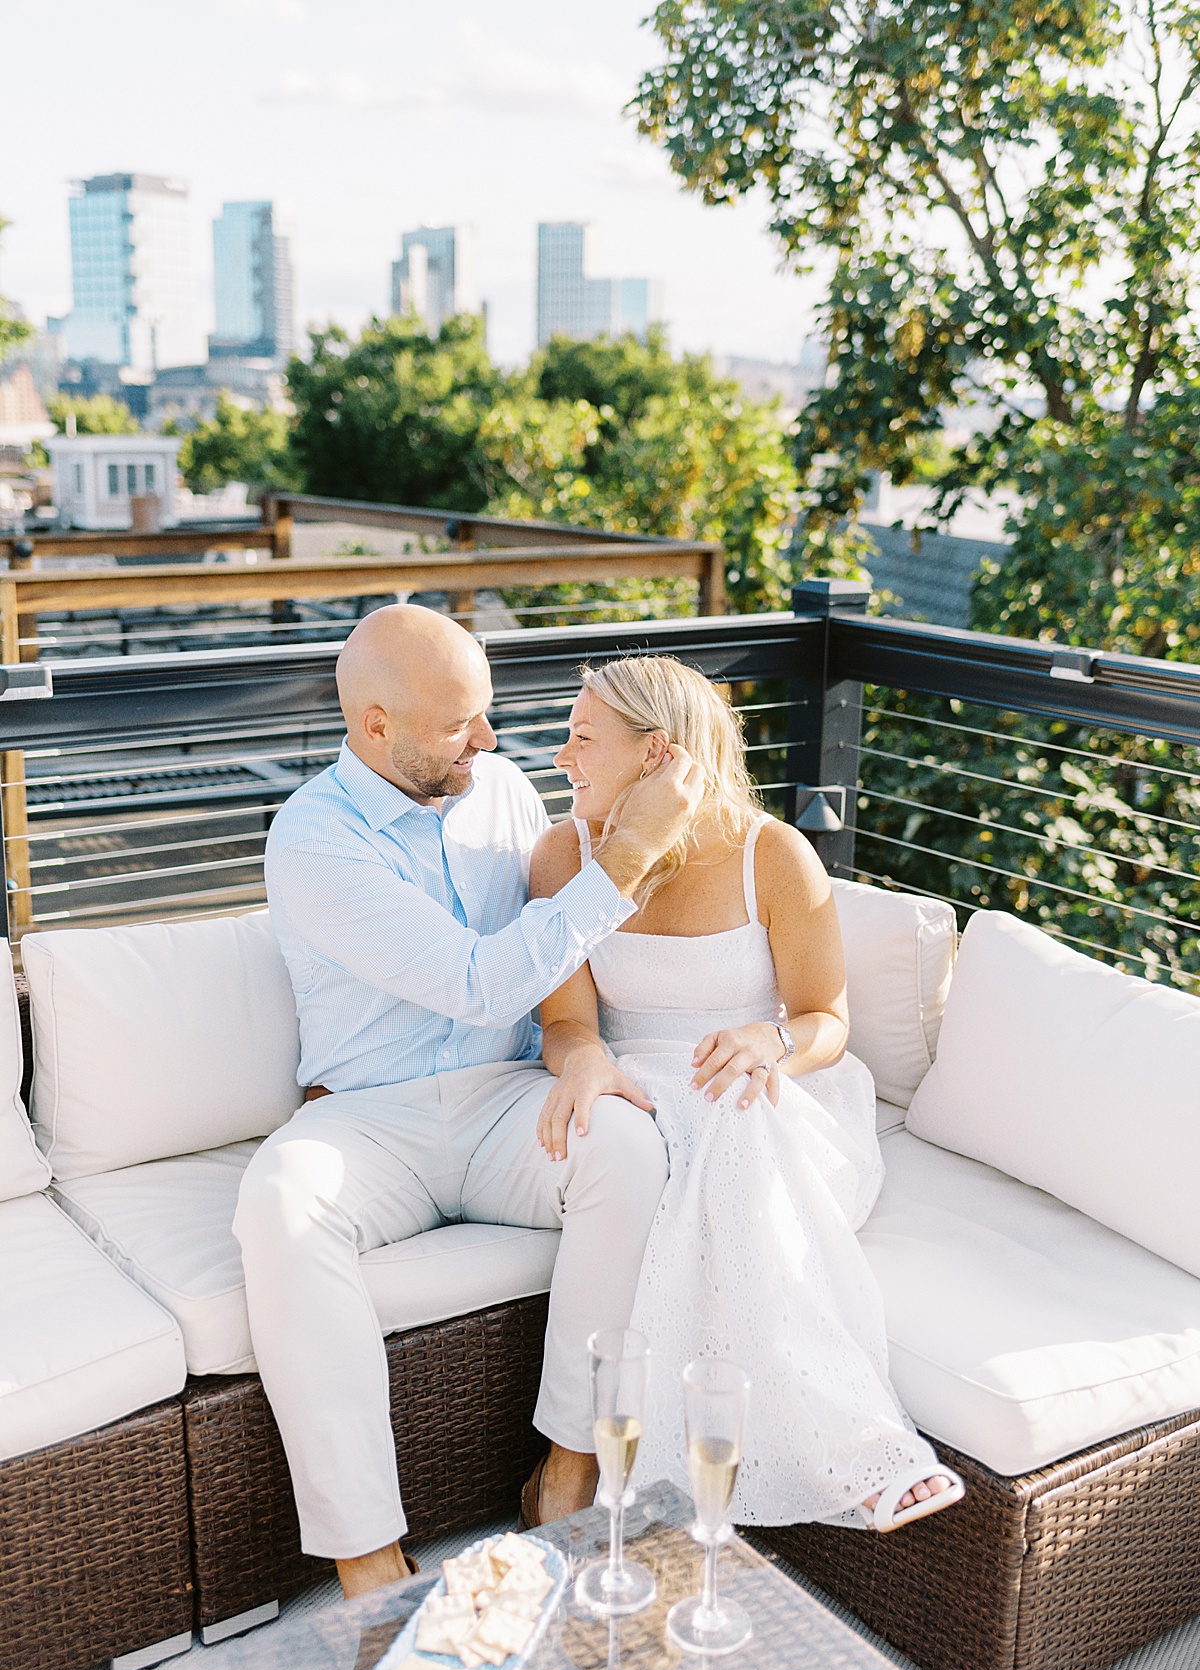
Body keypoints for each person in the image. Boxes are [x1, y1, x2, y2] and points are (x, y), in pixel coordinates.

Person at [234, 606, 704, 1596]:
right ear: (373, 727)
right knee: (278, 1205)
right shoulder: (314, 842)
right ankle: (369, 1562)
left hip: (505, 1101)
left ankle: (566, 1473)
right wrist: (627, 857)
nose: (488, 743)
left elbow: (550, 966)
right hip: (370, 1119)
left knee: (625, 1148)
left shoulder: (499, 792)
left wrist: (577, 1048)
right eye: (459, 725)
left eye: (485, 716)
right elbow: (484, 979)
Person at [530, 655, 964, 1531]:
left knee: (733, 1117)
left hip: (769, 1090)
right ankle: (695, 1473)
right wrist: (578, 1059)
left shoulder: (773, 855)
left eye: (582, 738)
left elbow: (824, 1021)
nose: (559, 757)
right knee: (700, 1125)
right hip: (641, 1086)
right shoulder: (561, 854)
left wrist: (770, 1042)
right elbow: (568, 1025)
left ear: (656, 755)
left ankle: (858, 1445)